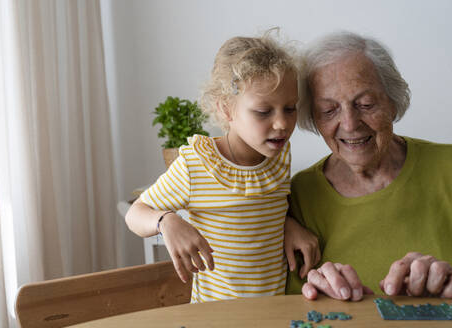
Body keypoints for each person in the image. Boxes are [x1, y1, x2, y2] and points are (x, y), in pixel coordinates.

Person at [126, 31, 320, 303]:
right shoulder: (197, 165)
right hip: (215, 316)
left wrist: (288, 223)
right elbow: (135, 214)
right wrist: (166, 221)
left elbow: (261, 208)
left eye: (290, 108)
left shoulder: (279, 155)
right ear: (227, 110)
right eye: (264, 112)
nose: (282, 124)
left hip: (272, 311)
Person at [286, 31, 452, 301]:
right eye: (329, 110)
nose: (351, 124)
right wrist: (319, 297)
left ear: (392, 101)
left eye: (365, 104)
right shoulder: (301, 195)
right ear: (313, 118)